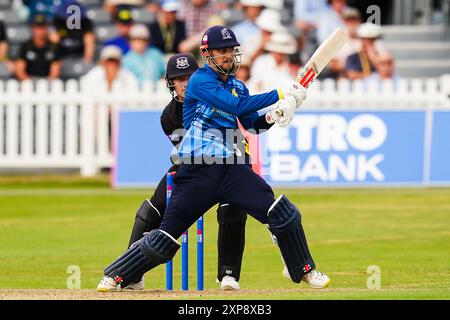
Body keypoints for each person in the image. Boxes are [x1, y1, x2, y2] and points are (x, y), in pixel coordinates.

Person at [97, 25, 331, 292]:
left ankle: (304, 269)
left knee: (282, 213)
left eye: (231, 50)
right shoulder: (200, 81)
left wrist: (274, 115)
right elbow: (236, 106)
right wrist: (280, 92)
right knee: (165, 239)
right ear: (207, 54)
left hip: (232, 169)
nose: (229, 56)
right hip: (198, 170)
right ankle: (118, 274)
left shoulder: (237, 86)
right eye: (222, 51)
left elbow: (250, 123)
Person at [15, 14, 61, 81]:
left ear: (46, 28)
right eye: (36, 27)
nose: (39, 30)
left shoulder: (53, 47)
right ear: (32, 28)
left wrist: (46, 84)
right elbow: (20, 70)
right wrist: (29, 83)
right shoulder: (26, 46)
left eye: (42, 27)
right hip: (29, 82)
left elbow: (55, 71)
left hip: (48, 82)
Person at [122, 24, 166, 88]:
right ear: (130, 41)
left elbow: (165, 72)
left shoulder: (156, 54)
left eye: (142, 39)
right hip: (134, 93)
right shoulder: (126, 59)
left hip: (157, 92)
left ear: (147, 41)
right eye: (135, 39)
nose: (139, 42)